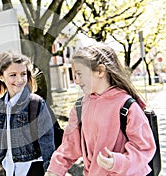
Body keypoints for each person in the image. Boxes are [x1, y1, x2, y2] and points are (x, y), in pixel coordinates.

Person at [45, 44, 156, 176]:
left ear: (100, 71)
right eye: (74, 75)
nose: (76, 81)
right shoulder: (80, 107)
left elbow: (144, 148)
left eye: (79, 74)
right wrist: (55, 170)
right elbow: (69, 145)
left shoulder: (127, 105)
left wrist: (118, 162)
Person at [0, 50, 55, 176]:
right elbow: (0, 136)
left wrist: (50, 169)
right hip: (9, 166)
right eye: (13, 75)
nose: (20, 79)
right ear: (1, 77)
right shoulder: (0, 105)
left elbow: (47, 139)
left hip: (32, 166)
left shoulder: (36, 103)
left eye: (23, 74)